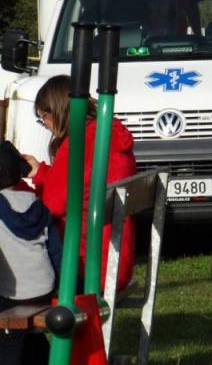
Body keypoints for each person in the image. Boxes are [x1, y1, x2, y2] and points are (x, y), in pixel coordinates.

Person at [22, 74, 136, 291]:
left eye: (42, 117)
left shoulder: (78, 143)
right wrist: (41, 172)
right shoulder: (107, 133)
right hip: (117, 261)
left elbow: (51, 206)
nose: (44, 125)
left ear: (57, 111)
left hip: (88, 267)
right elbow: (76, 188)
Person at [0, 142, 60, 365]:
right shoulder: (37, 204)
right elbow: (56, 251)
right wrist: (58, 286)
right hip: (44, 290)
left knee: (6, 348)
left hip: (13, 295)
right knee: (35, 342)